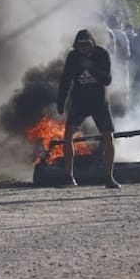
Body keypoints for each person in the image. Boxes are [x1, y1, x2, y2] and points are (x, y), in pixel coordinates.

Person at [55, 30, 119, 189]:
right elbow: (65, 80)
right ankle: (69, 176)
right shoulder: (73, 57)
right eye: (79, 46)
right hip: (79, 101)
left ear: (92, 45)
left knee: (108, 137)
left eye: (86, 46)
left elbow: (107, 80)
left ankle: (109, 177)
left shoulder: (102, 55)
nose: (83, 49)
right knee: (68, 134)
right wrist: (60, 102)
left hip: (99, 101)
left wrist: (91, 67)